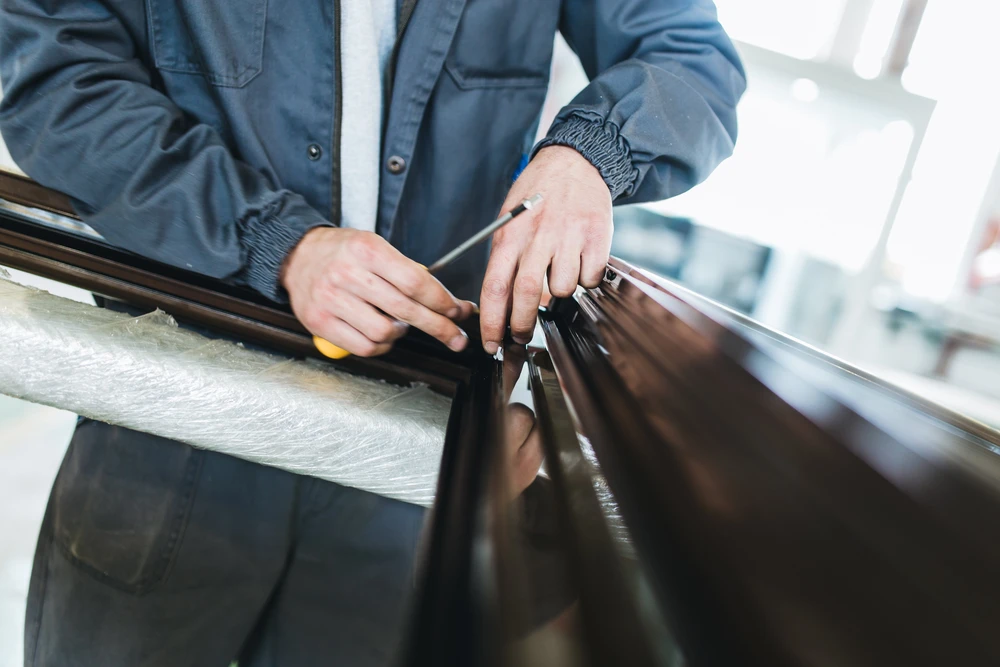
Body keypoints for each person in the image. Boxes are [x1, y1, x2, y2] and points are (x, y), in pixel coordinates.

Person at [0, 0, 745, 664]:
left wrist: (590, 153)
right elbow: (55, 75)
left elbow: (692, 55)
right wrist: (275, 240)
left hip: (411, 472)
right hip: (175, 438)